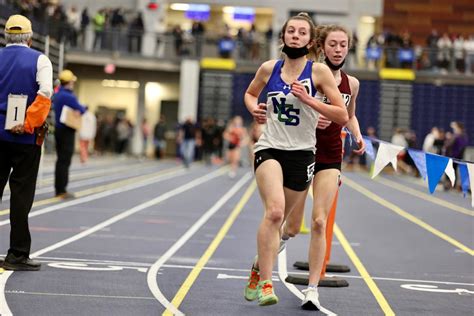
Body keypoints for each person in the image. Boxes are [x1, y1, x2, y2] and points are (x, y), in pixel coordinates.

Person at [243, 13, 348, 307]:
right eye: (291, 31)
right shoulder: (269, 68)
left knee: (287, 225)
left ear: (310, 41)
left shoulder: (319, 74)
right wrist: (255, 108)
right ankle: (266, 282)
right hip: (270, 148)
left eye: (302, 33)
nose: (295, 36)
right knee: (274, 212)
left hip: (302, 154)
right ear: (283, 37)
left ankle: (256, 266)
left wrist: (311, 101)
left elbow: (341, 115)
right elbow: (250, 94)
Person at [280, 24, 366, 310]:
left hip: (330, 156)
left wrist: (357, 132)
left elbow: (348, 116)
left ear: (348, 48)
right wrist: (312, 113)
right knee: (291, 226)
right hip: (302, 151)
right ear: (321, 46)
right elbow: (289, 106)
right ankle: (269, 251)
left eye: (343, 44)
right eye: (333, 44)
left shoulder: (351, 84)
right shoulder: (310, 74)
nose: (338, 49)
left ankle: (312, 289)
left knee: (319, 221)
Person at [0, 15, 53, 271]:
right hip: (26, 138)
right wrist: (28, 121)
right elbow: (45, 94)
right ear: (30, 38)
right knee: (21, 196)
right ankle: (17, 254)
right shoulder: (40, 59)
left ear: (6, 36)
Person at [53, 69, 86, 198]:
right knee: (64, 161)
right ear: (70, 82)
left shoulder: (57, 94)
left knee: (60, 160)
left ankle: (59, 188)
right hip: (67, 131)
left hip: (58, 130)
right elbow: (81, 109)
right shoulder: (68, 95)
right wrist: (84, 108)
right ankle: (61, 190)